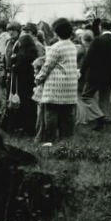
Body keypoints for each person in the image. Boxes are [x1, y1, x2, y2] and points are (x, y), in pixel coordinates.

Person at [35, 18, 79, 146]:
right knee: (67, 115)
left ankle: (50, 140)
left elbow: (47, 66)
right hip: (70, 85)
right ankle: (66, 140)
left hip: (55, 86)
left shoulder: (55, 47)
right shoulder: (73, 46)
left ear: (56, 32)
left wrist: (38, 78)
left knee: (51, 112)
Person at [79, 20, 111, 130]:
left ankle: (99, 117)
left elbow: (88, 58)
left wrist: (81, 71)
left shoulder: (97, 40)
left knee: (86, 96)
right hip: (110, 75)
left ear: (101, 27)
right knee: (104, 99)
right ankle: (105, 121)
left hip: (95, 75)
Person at [8, 32, 39, 135]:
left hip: (21, 82)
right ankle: (30, 128)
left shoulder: (21, 54)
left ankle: (19, 127)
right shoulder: (33, 52)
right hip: (30, 82)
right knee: (30, 105)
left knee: (21, 105)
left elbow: (16, 67)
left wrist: (13, 62)